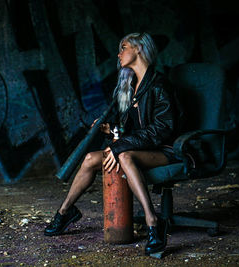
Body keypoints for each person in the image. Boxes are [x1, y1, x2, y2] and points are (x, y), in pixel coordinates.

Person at [44, 32, 180, 255]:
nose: (119, 53)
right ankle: (65, 211)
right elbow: (130, 129)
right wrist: (112, 128)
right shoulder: (129, 86)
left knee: (124, 155)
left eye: (124, 47)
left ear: (138, 49)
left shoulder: (158, 84)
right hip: (138, 148)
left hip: (164, 150)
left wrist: (120, 145)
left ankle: (153, 221)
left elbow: (163, 129)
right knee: (89, 159)